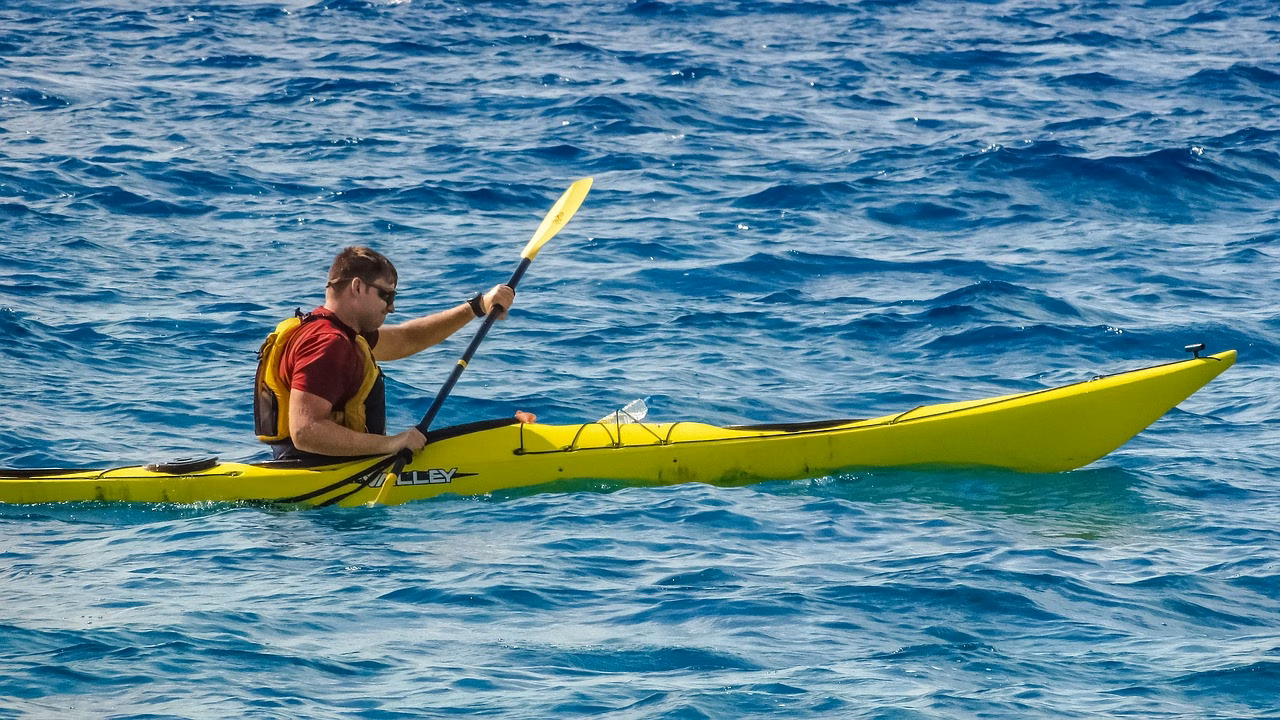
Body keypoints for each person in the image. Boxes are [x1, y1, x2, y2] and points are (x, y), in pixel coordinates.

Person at [254, 245, 531, 460]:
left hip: (317, 466)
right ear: (358, 287)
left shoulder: (340, 333)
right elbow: (305, 432)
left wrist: (477, 307)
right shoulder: (328, 343)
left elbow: (407, 338)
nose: (391, 307)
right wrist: (393, 444)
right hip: (323, 473)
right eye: (387, 295)